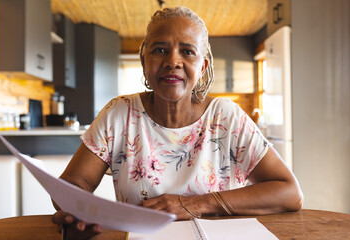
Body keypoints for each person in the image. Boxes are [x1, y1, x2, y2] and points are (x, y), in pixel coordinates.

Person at [52, 6, 303, 239]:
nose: (173, 61)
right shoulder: (119, 114)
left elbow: (289, 192)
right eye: (159, 50)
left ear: (202, 66)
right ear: (144, 61)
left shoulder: (227, 117)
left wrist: (195, 204)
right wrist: (76, 209)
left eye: (187, 51)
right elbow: (75, 184)